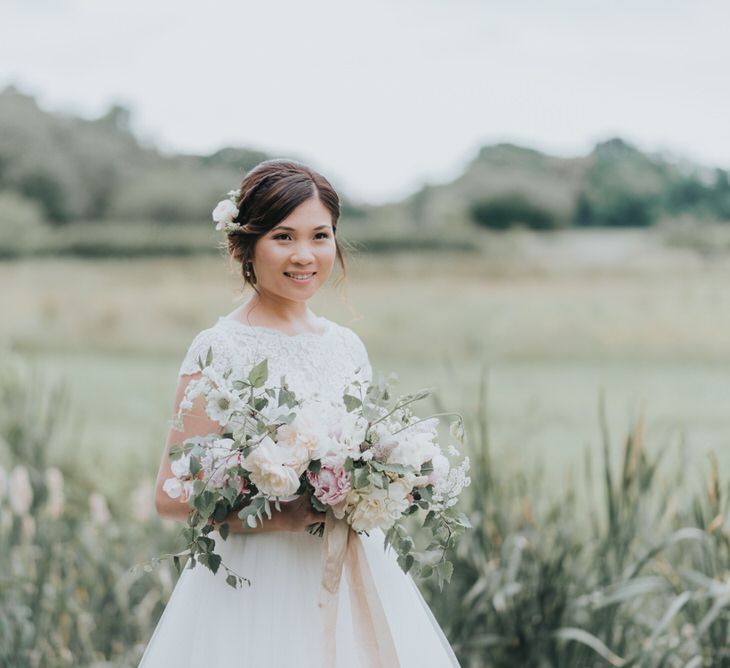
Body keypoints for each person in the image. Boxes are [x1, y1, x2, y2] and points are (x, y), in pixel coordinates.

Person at [138, 159, 460, 667]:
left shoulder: (347, 346)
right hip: (253, 589)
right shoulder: (218, 348)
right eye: (283, 237)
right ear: (247, 243)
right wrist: (280, 518)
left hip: (351, 570)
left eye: (320, 236)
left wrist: (388, 482)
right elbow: (170, 498)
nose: (305, 255)